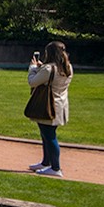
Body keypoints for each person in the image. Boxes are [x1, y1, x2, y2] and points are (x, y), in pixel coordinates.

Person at [27, 40, 73, 177]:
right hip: (61, 104)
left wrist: (33, 68)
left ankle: (55, 167)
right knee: (46, 134)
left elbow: (33, 81)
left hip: (48, 105)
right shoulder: (68, 67)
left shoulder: (49, 69)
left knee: (49, 135)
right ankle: (46, 162)